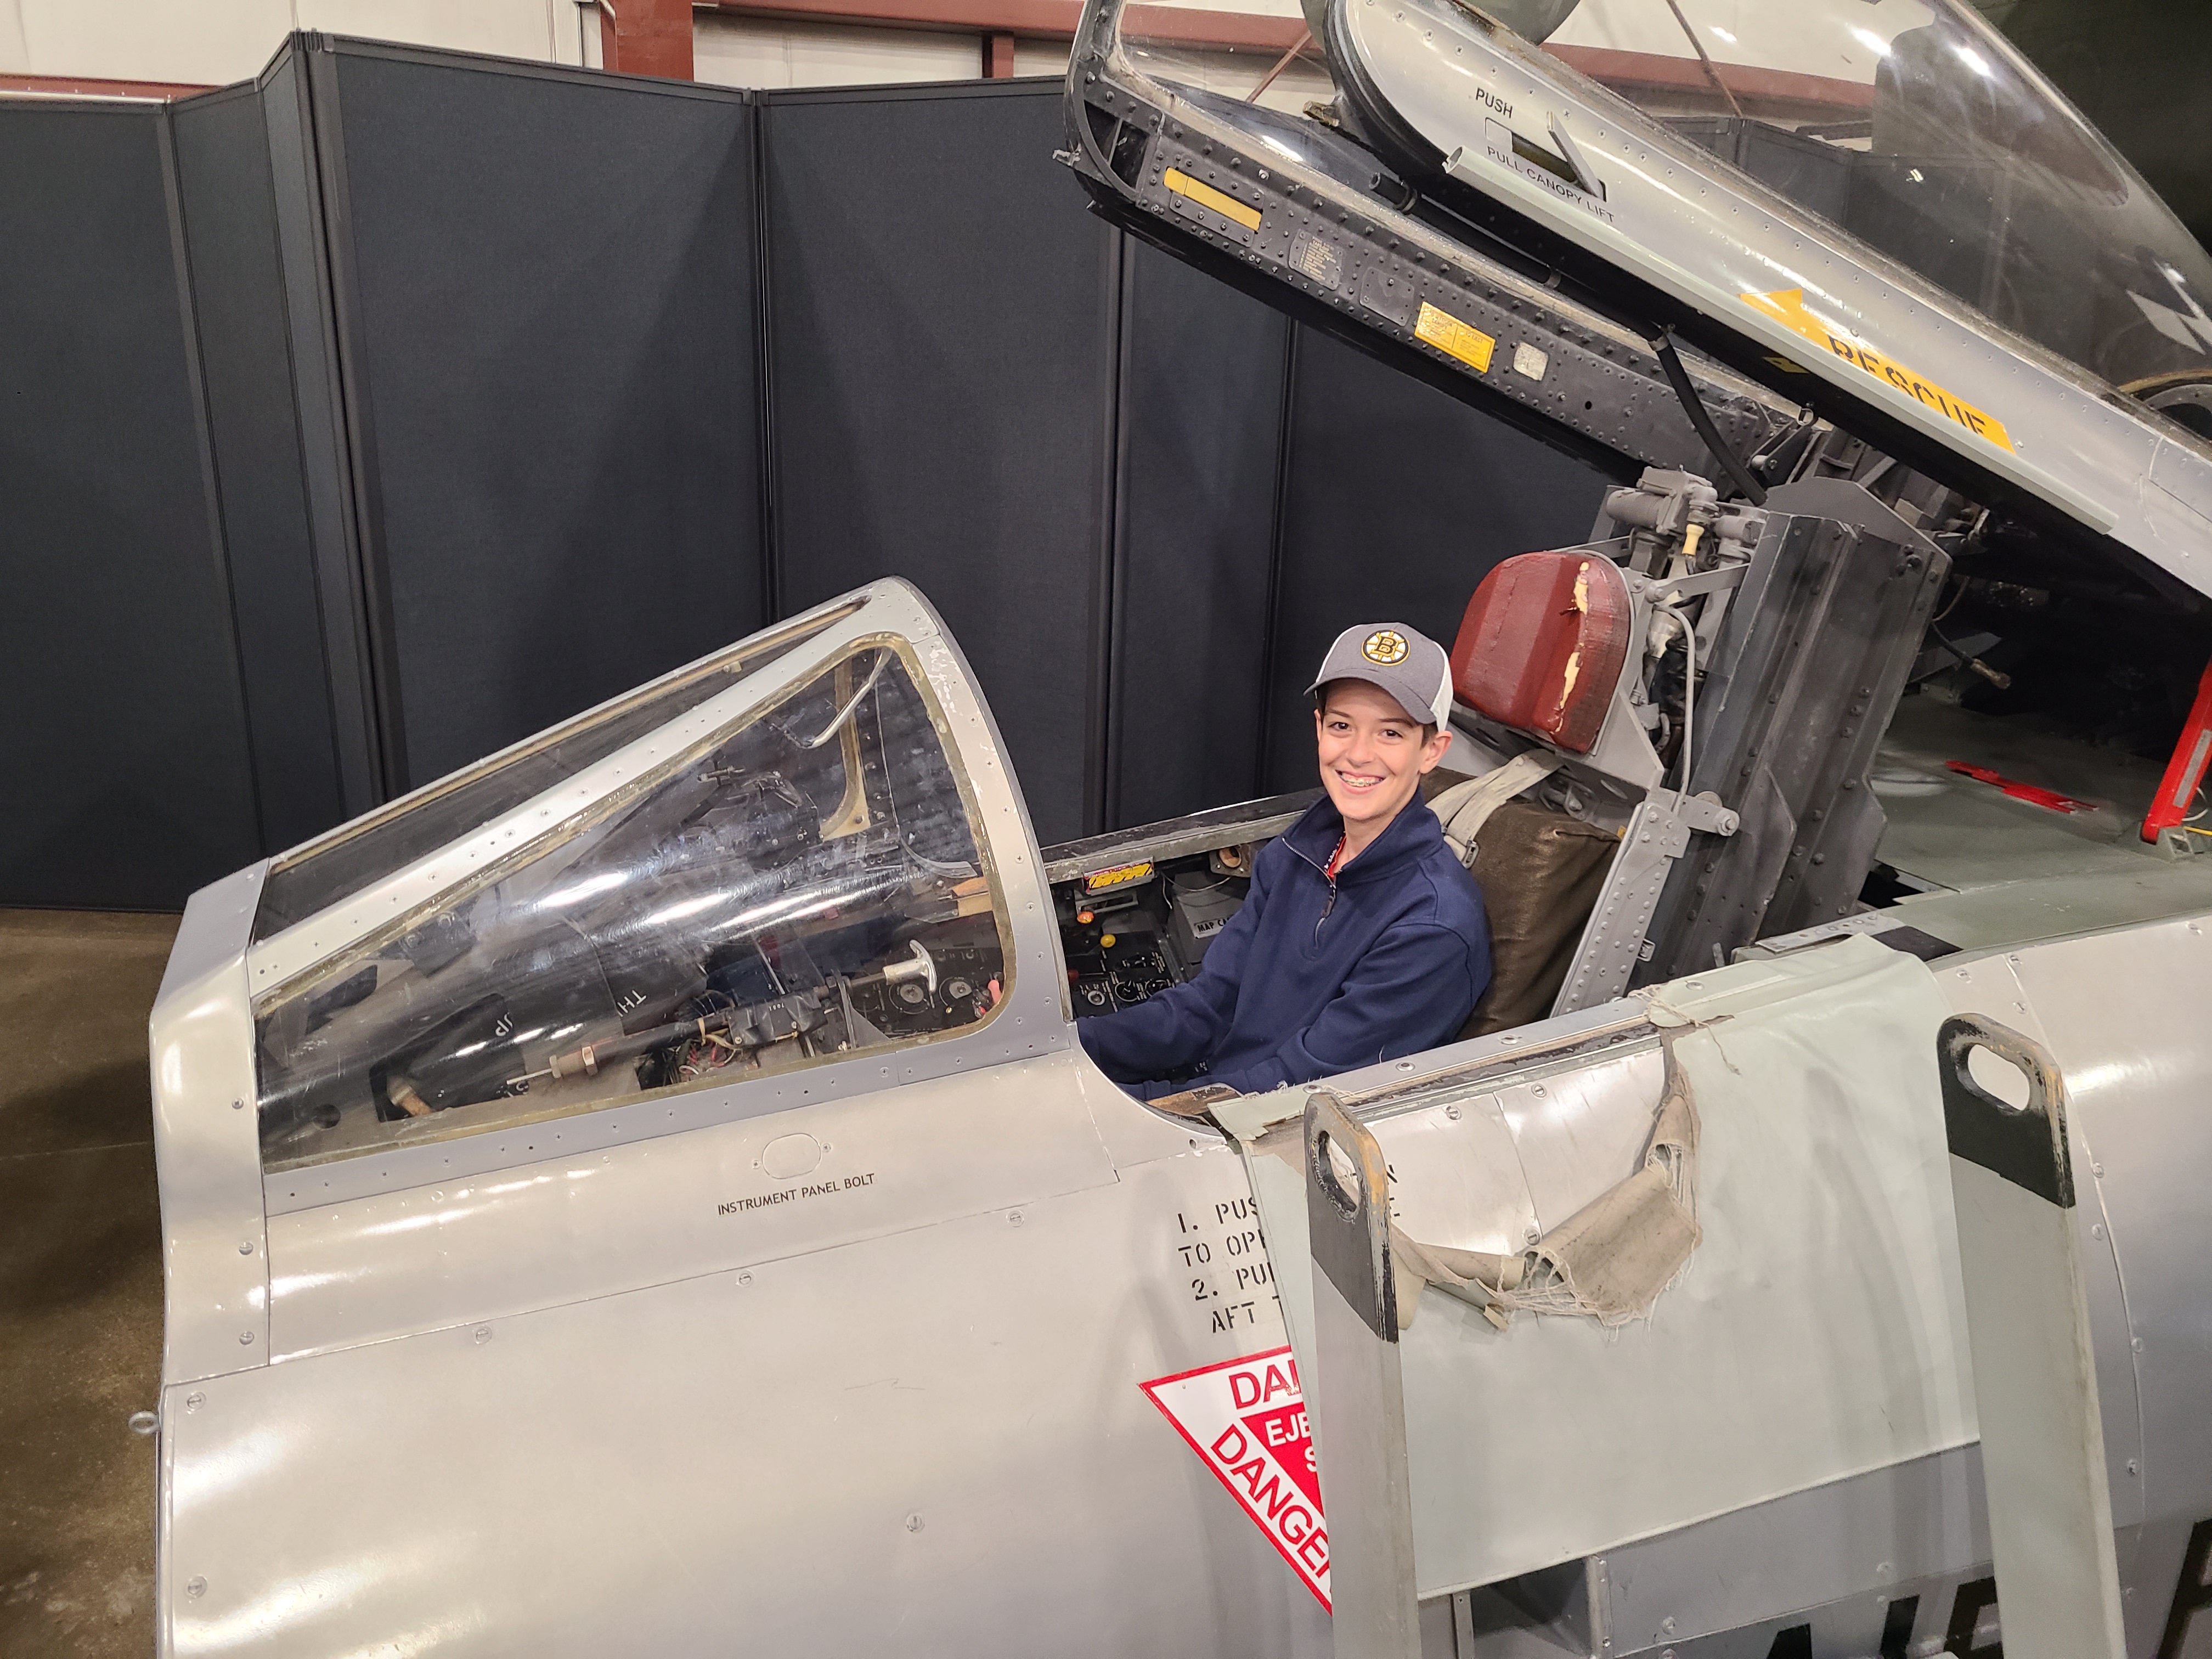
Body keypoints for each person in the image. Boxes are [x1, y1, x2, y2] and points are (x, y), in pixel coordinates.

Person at [1080, 623, 1491, 1099]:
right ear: (1319, 728)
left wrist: (1124, 1110)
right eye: (1342, 726)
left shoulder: (1433, 928)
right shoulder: (1295, 854)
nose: (1359, 755)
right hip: (1222, 1089)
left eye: (1391, 733)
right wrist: (1070, 1052)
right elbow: (1211, 1004)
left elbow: (1302, 1085)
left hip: (1277, 1122)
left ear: (1432, 751)